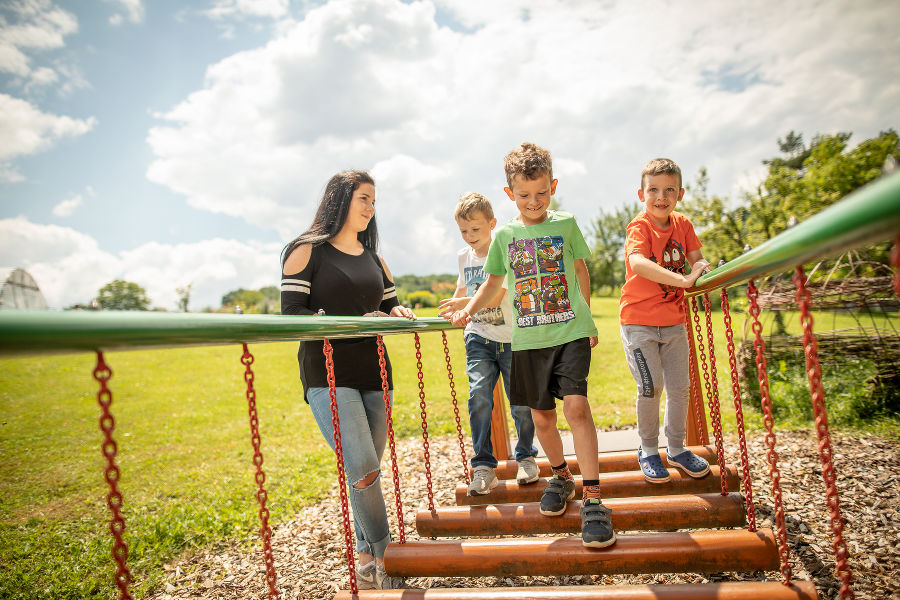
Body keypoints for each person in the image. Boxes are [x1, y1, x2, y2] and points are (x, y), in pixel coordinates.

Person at [449, 142, 615, 549]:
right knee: (542, 419)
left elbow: (579, 271)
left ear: (553, 185)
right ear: (510, 194)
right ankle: (561, 477)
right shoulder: (505, 235)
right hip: (528, 340)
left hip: (569, 333)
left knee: (576, 408)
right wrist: (468, 311)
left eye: (542, 192)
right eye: (524, 195)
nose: (534, 201)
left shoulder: (566, 224)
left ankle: (594, 500)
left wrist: (587, 317)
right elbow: (492, 284)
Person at [280, 170, 415, 590]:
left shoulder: (375, 258)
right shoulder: (306, 252)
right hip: (327, 373)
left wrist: (400, 314)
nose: (370, 208)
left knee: (368, 470)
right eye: (363, 198)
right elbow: (293, 315)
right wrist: (348, 321)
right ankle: (385, 555)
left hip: (376, 372)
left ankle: (363, 553)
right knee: (362, 468)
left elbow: (390, 306)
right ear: (340, 199)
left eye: (374, 200)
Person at [438, 192, 540, 496]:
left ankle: (526, 457)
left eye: (476, 230)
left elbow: (495, 295)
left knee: (520, 403)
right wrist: (456, 311)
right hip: (479, 336)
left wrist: (463, 303)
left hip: (511, 338)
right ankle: (483, 465)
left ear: (492, 224)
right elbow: (463, 286)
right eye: (464, 231)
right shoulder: (463, 256)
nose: (470, 237)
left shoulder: (503, 250)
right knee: (478, 396)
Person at [619, 158, 711, 485]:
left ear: (680, 193)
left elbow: (697, 259)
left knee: (679, 388)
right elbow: (638, 262)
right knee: (651, 385)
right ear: (641, 194)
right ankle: (647, 448)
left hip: (673, 322)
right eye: (654, 189)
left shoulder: (682, 225)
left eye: (669, 189)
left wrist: (701, 270)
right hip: (639, 321)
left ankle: (676, 447)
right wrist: (683, 281)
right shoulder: (640, 227)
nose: (661, 196)